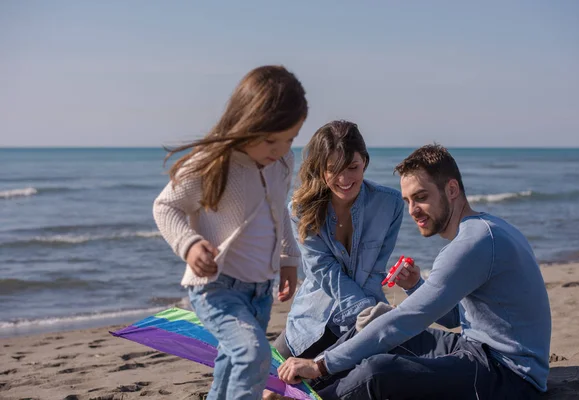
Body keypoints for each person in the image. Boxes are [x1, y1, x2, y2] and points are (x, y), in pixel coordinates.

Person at [278, 144, 551, 399]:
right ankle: (301, 390)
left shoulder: (473, 243)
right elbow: (456, 317)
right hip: (477, 348)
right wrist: (415, 285)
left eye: (421, 197)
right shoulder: (485, 230)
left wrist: (321, 364)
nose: (413, 211)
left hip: (510, 374)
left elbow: (406, 321)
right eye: (408, 200)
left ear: (452, 189)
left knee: (379, 372)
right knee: (374, 331)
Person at [153, 65, 307, 400]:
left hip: (260, 293)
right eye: (271, 139)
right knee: (253, 355)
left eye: (290, 139)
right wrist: (189, 245)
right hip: (216, 288)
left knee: (230, 362)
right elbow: (166, 207)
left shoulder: (281, 162)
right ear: (245, 122)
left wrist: (289, 259)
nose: (281, 148)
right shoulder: (212, 163)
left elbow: (278, 211)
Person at [272, 120, 405, 360]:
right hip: (313, 321)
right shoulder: (300, 210)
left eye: (352, 167)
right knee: (266, 380)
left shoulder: (391, 204)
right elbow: (324, 270)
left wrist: (372, 319)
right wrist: (365, 310)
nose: (344, 178)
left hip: (367, 321)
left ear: (364, 161)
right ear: (321, 169)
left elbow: (375, 271)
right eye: (334, 169)